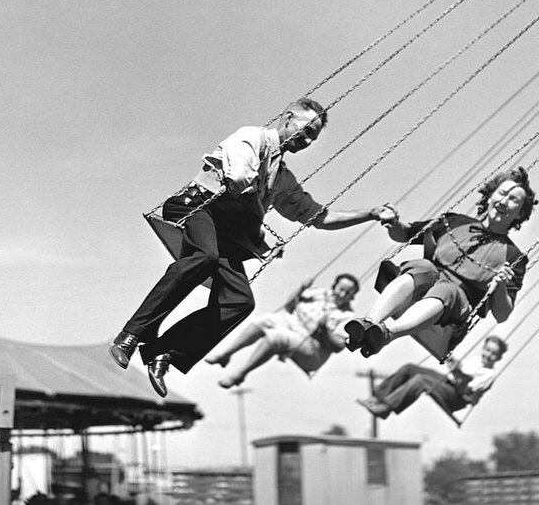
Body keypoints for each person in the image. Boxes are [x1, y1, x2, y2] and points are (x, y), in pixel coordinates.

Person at [108, 96, 398, 397]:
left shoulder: (282, 178)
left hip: (223, 233)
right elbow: (238, 182)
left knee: (239, 300)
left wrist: (370, 214)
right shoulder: (251, 138)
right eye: (307, 130)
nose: (309, 140)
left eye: (314, 137)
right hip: (197, 207)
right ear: (288, 118)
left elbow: (320, 217)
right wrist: (258, 237)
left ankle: (164, 351)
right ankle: (132, 335)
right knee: (204, 256)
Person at [344, 166, 537, 358]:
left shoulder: (513, 257)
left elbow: (502, 315)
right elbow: (406, 233)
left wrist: (501, 286)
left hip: (454, 305)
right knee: (424, 268)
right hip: (423, 281)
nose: (504, 202)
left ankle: (386, 334)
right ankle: (368, 325)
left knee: (448, 289)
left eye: (513, 200)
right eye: (502, 194)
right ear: (490, 196)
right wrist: (393, 223)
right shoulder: (455, 222)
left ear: (520, 213)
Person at [204, 272, 360, 388]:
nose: (343, 294)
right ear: (335, 286)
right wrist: (301, 288)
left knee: (277, 337)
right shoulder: (317, 293)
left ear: (352, 295)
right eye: (341, 289)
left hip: (314, 349)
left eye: (348, 292)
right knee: (264, 320)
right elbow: (289, 306)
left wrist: (324, 329)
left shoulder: (346, 315)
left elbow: (339, 346)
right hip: (295, 327)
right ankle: (226, 354)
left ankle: (240, 374)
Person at [357, 335, 508, 419]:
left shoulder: (489, 374)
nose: (488, 355)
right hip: (449, 383)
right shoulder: (476, 361)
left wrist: (457, 372)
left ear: (499, 358)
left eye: (493, 354)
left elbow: (466, 389)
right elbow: (460, 371)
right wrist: (453, 363)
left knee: (421, 380)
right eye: (487, 350)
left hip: (457, 397)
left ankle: (386, 407)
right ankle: (378, 397)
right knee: (410, 369)